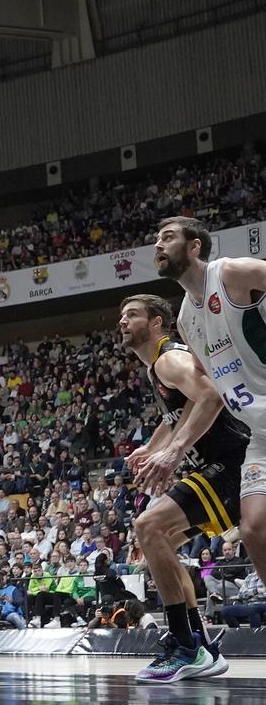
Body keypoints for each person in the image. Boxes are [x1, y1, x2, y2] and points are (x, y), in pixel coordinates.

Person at [121, 290, 251, 682]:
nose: (122, 321)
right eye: (121, 316)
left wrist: (174, 451)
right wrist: (152, 444)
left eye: (132, 314)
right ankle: (200, 644)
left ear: (156, 322)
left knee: (148, 526)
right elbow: (181, 410)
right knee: (163, 542)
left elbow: (210, 396)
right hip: (221, 467)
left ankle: (185, 647)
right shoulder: (156, 368)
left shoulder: (169, 359)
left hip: (231, 465)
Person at [158, 217, 266, 592]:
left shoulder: (235, 272)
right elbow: (208, 392)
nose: (158, 245)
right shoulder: (187, 319)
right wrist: (171, 448)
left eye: (168, 238)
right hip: (258, 434)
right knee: (253, 529)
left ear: (194, 247)